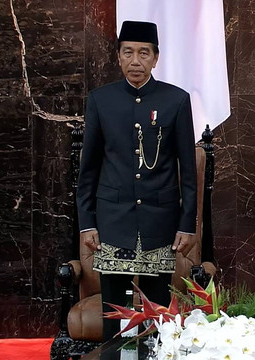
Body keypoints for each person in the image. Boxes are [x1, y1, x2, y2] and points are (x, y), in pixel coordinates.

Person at [76, 20, 197, 341]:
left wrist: (187, 225)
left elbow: (188, 170)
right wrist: (87, 222)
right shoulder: (101, 100)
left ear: (156, 58)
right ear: (118, 56)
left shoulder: (176, 100)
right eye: (128, 52)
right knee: (114, 317)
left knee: (159, 317)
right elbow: (88, 169)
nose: (135, 61)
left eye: (144, 53)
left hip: (161, 222)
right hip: (113, 220)